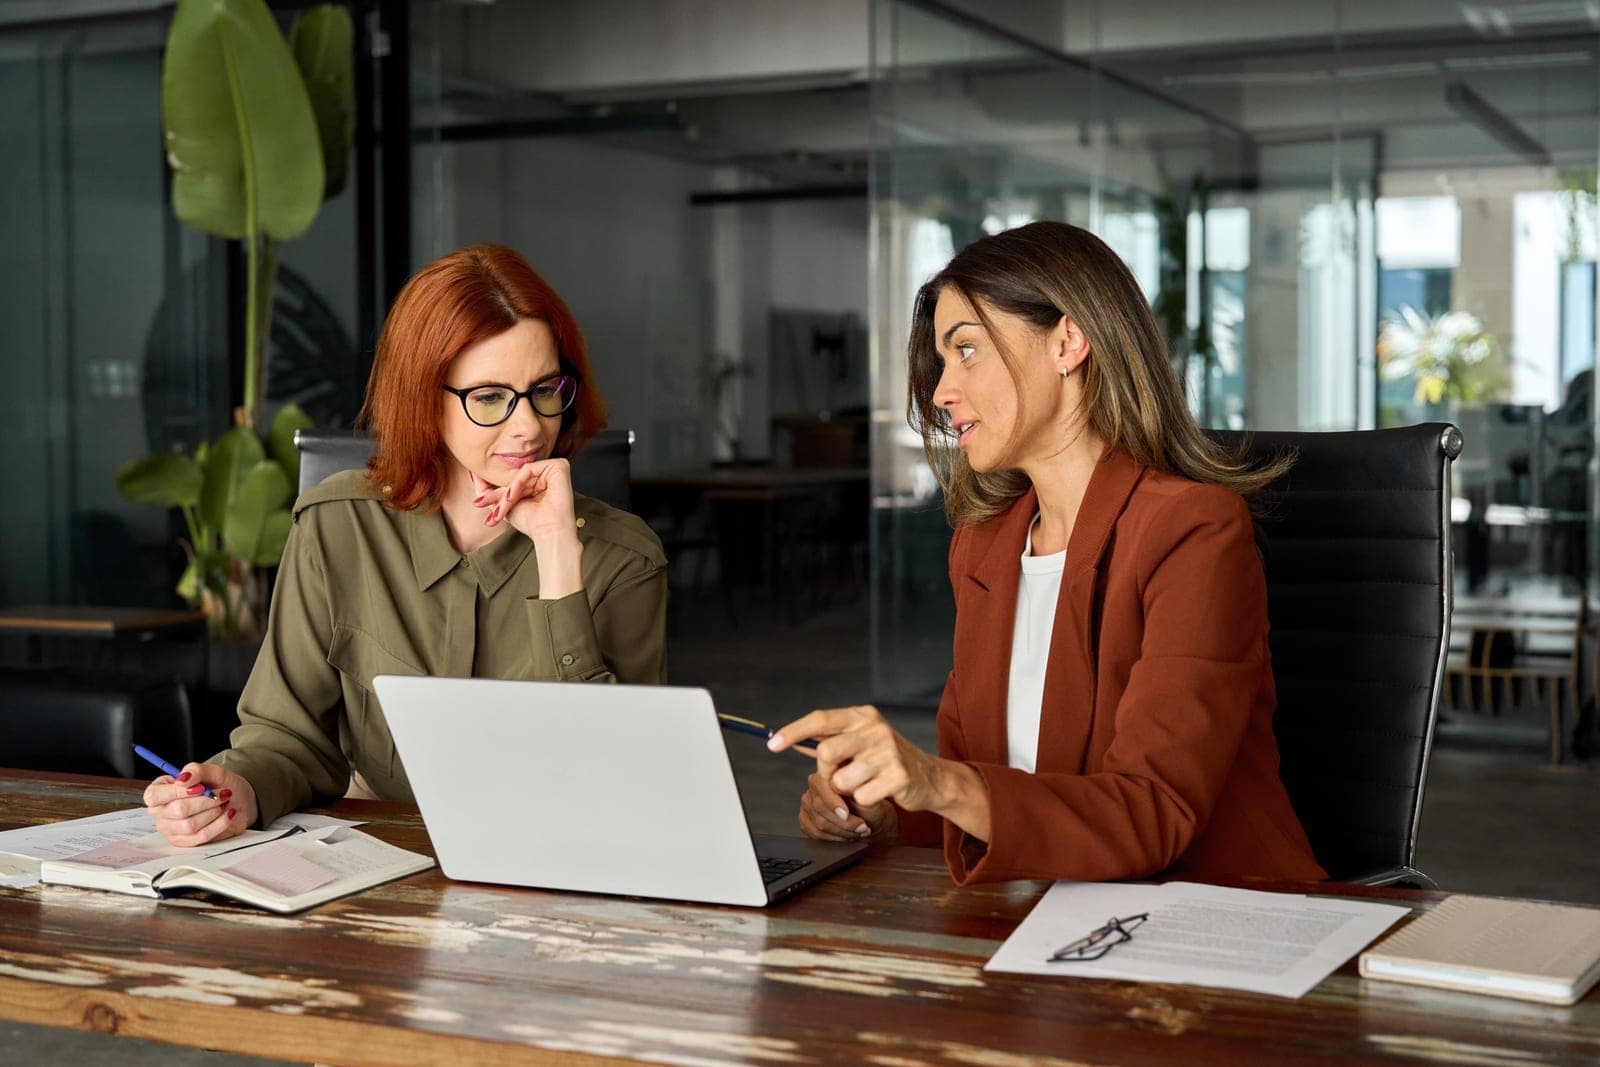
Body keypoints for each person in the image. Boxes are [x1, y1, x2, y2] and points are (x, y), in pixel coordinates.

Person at [770, 221, 1325, 885]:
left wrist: (937, 783)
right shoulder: (985, 548)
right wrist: (885, 810)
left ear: (1067, 340)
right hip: (1044, 925)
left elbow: (1153, 811)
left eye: (966, 350)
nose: (944, 390)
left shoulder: (1193, 532)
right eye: (943, 361)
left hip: (1211, 930)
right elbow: (989, 798)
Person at [144, 244, 668, 845]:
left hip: (560, 867)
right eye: (490, 397)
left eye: (546, 389)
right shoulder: (338, 527)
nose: (529, 427)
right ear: (422, 396)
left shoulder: (624, 558)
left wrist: (557, 558)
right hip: (381, 867)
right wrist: (237, 788)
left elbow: (617, 780)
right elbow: (287, 739)